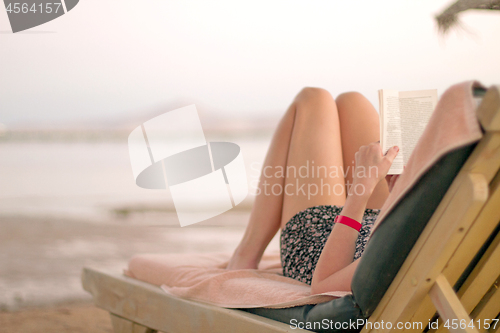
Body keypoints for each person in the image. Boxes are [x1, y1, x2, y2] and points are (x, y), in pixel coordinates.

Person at [226, 87, 400, 295]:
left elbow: (325, 284)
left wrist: (361, 189)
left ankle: (246, 254)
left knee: (312, 99)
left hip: (320, 243)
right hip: (381, 222)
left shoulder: (401, 257)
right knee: (352, 101)